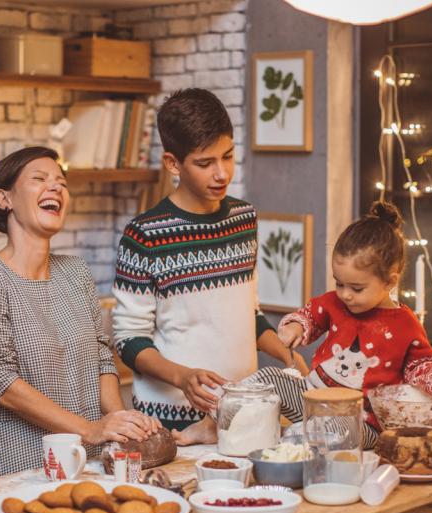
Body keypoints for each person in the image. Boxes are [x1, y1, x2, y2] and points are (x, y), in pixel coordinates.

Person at [112, 88, 306, 445]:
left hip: (244, 412)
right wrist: (183, 377)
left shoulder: (243, 218)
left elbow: (249, 314)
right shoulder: (144, 235)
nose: (222, 173)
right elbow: (128, 341)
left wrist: (284, 352)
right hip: (170, 422)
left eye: (228, 156)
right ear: (173, 163)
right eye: (205, 163)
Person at [0, 146, 159, 477]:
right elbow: (1, 383)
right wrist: (89, 429)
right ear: (4, 199)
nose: (56, 188)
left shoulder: (75, 272)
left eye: (61, 183)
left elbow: (101, 359)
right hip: (16, 469)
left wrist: (120, 428)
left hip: (89, 462)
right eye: (39, 179)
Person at [274, 201, 432, 447]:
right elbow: (310, 316)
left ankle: (300, 439)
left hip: (360, 423)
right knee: (268, 378)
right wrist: (296, 327)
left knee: (335, 428)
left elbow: (420, 365)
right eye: (339, 283)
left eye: (356, 288)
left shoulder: (405, 324)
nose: (345, 294)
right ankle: (224, 416)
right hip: (311, 400)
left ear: (389, 282)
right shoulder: (334, 303)